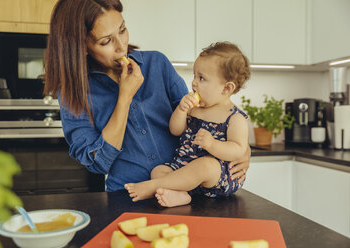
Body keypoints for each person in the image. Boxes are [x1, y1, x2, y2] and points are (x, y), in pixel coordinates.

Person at [44, 0, 250, 193]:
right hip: (126, 196)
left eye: (122, 30)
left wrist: (242, 149)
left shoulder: (157, 64)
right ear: (82, 46)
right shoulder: (74, 93)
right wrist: (124, 97)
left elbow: (199, 118)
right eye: (106, 41)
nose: (121, 46)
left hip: (182, 191)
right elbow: (98, 163)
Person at [125, 42, 250, 207]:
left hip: (217, 177)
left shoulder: (235, 118)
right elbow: (176, 130)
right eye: (195, 76)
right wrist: (181, 110)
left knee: (205, 165)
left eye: (202, 78)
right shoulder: (195, 109)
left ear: (226, 88)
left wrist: (212, 144)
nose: (194, 83)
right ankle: (182, 195)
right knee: (158, 171)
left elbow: (238, 150)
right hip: (183, 168)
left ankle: (152, 187)